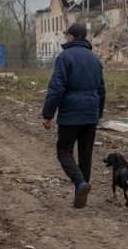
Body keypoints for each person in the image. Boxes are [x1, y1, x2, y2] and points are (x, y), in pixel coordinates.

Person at [41, 23, 106, 208]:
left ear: (70, 37)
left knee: (63, 152)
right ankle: (81, 199)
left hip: (70, 115)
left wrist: (48, 114)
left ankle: (80, 184)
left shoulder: (65, 57)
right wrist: (97, 114)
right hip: (90, 115)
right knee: (85, 155)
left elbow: (57, 88)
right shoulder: (95, 59)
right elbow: (102, 90)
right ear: (84, 37)